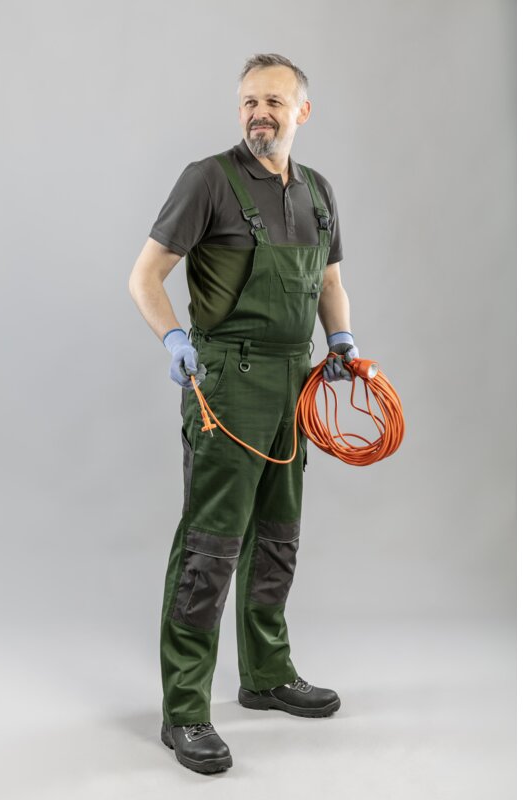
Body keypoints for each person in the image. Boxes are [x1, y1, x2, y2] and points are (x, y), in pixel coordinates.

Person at [128, 53, 362, 775]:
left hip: (295, 382)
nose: (260, 113)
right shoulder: (209, 180)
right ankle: (185, 711)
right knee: (211, 548)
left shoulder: (317, 191)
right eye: (250, 102)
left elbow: (329, 282)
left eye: (274, 102)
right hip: (226, 382)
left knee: (278, 536)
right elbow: (145, 276)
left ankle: (266, 674)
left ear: (302, 112)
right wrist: (174, 337)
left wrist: (342, 340)